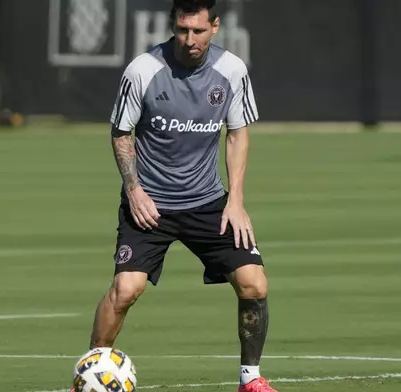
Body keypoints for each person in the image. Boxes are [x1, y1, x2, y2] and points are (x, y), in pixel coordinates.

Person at [79, 0, 276, 391]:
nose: (190, 40)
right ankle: (87, 373)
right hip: (150, 204)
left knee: (255, 283)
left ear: (215, 27)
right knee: (125, 290)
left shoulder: (231, 71)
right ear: (173, 26)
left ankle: (249, 380)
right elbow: (121, 132)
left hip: (207, 202)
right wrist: (135, 192)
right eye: (183, 30)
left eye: (198, 31)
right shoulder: (143, 71)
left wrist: (235, 200)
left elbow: (237, 134)